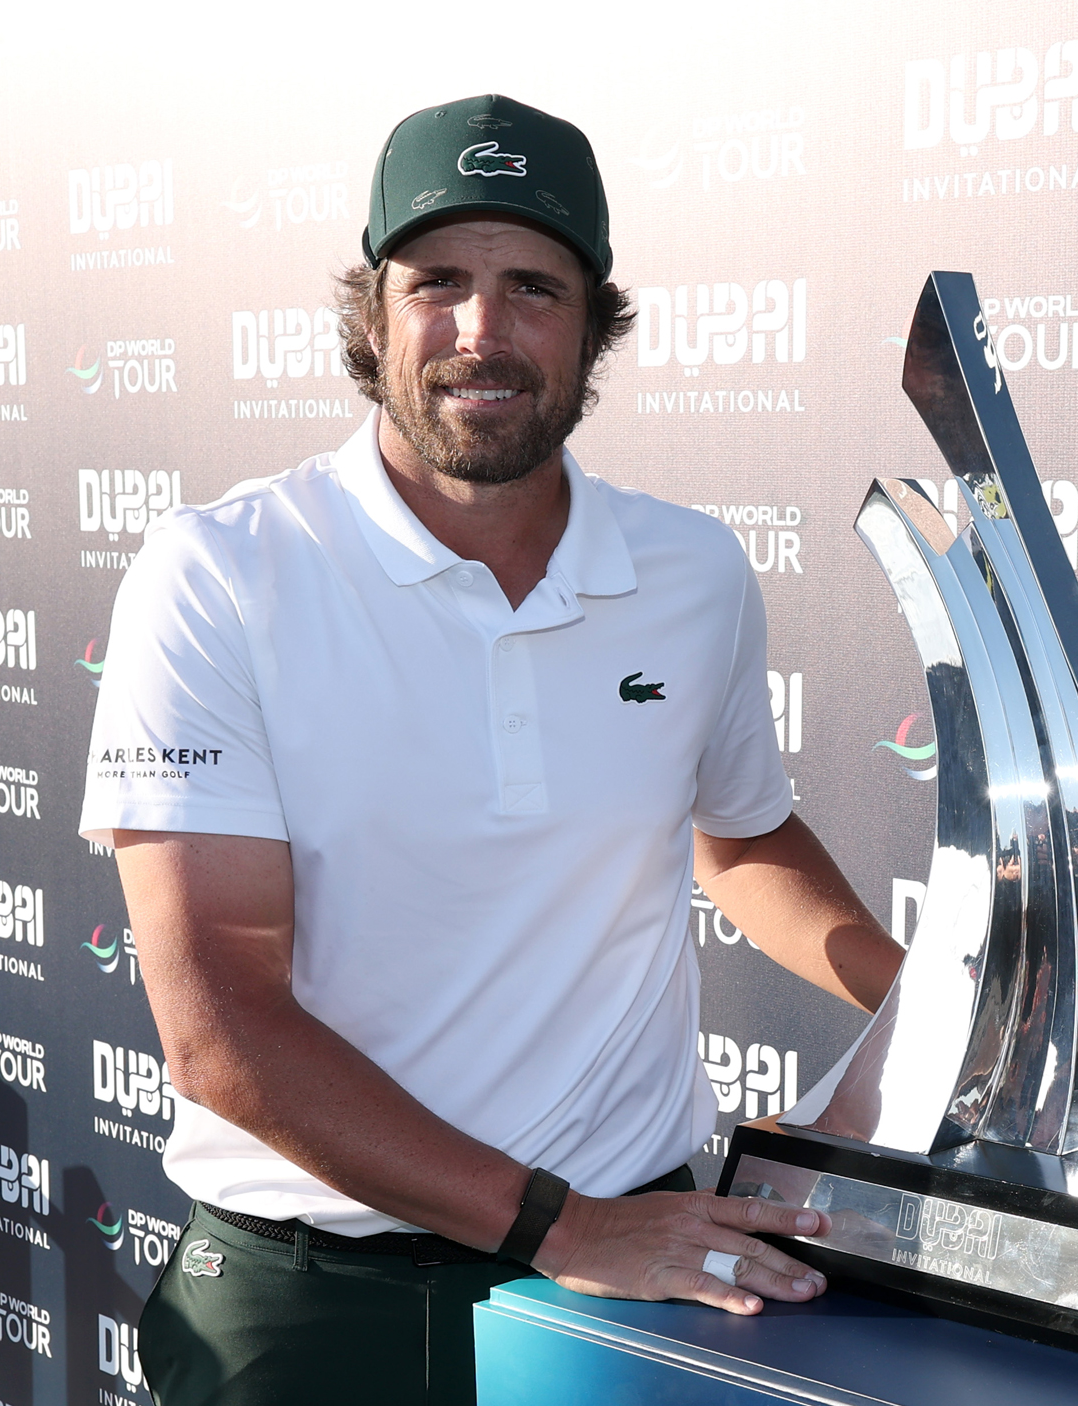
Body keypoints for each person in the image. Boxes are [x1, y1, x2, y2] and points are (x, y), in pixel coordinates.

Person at [77, 93, 905, 1406]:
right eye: (438, 282)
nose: (483, 331)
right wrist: (566, 1227)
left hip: (628, 1273)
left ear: (593, 325)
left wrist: (942, 1000)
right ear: (373, 312)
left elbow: (739, 836)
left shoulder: (689, 571)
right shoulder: (219, 575)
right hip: (314, 1305)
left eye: (533, 285)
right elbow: (220, 1023)